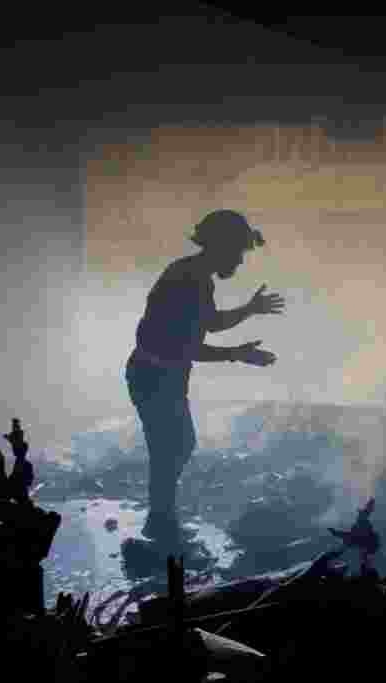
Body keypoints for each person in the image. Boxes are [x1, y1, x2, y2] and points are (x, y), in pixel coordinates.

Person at [125, 209, 284, 545]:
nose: (240, 261)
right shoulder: (189, 279)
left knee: (174, 446)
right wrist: (236, 353)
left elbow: (208, 322)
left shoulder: (195, 275)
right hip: (154, 375)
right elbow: (188, 347)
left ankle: (161, 518)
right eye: (239, 251)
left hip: (159, 374)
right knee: (173, 447)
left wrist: (249, 310)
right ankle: (160, 524)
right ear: (222, 246)